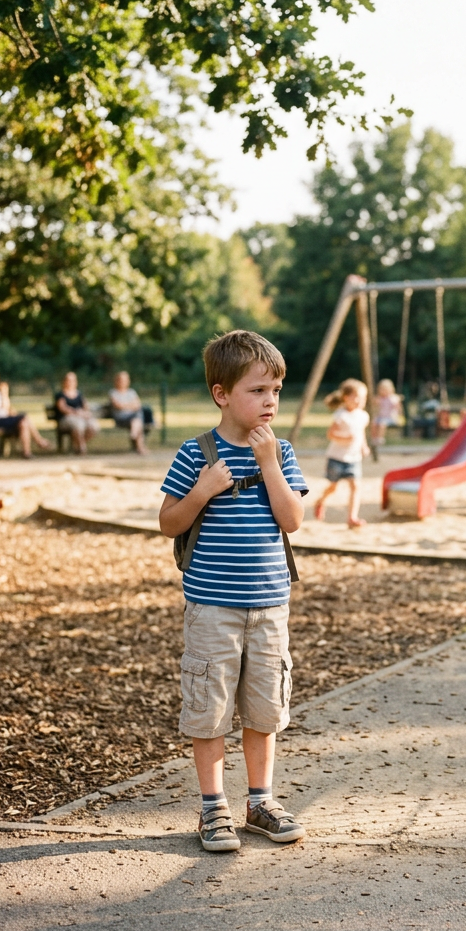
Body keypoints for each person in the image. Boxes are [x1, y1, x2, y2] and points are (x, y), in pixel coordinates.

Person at [158, 329, 308, 852]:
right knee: (210, 708)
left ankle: (261, 802)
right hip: (212, 608)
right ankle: (213, 808)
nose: (270, 401)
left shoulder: (282, 453)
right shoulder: (196, 452)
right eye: (258, 390)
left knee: (264, 710)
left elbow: (293, 520)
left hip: (269, 607)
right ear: (222, 394)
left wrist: (268, 466)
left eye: (276, 391)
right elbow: (169, 523)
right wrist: (202, 490)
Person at [313, 378, 370, 529]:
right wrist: (345, 438)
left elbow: (361, 433)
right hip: (337, 458)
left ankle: (352, 517)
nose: (360, 401)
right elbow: (330, 434)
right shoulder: (341, 416)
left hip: (354, 458)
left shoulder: (363, 416)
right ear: (346, 398)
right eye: (357, 397)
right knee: (333, 487)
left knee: (355, 486)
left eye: (363, 398)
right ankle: (320, 501)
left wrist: (363, 446)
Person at [0, 369, 51, 458]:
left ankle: (27, 452)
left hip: (3, 419)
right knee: (23, 418)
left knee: (23, 422)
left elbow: (7, 407)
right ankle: (39, 442)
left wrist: (9, 409)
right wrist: (4, 395)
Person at [55, 372, 100, 454]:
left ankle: (77, 445)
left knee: (93, 425)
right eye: (68, 380)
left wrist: (85, 413)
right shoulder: (60, 395)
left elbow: (85, 406)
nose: (70, 382)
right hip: (67, 418)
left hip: (81, 416)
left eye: (72, 380)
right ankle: (81, 447)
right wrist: (76, 412)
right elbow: (62, 408)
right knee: (78, 424)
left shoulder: (79, 394)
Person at [108, 371, 147, 454]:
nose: (123, 382)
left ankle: (134, 434)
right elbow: (118, 406)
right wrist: (130, 405)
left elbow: (138, 405)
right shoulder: (113, 393)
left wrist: (124, 406)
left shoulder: (131, 392)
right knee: (138, 418)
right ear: (117, 381)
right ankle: (140, 446)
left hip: (132, 417)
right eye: (121, 380)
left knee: (137, 417)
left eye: (125, 380)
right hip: (121, 418)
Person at [370, 378, 403, 458]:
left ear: (390, 390)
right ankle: (374, 438)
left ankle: (380, 439)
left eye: (385, 390)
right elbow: (374, 403)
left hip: (391, 418)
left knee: (382, 424)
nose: (383, 391)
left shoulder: (393, 398)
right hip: (381, 417)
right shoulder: (380, 398)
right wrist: (375, 400)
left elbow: (398, 408)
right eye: (381, 390)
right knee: (373, 422)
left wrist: (398, 405)